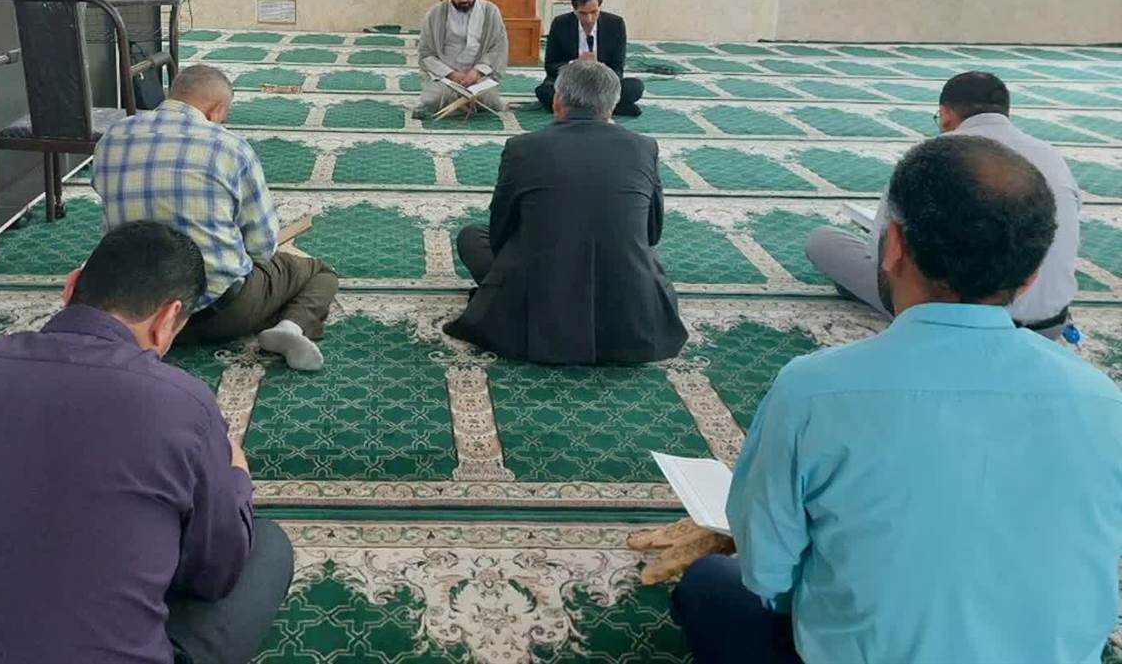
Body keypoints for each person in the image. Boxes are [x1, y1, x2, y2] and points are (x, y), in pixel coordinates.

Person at [672, 135, 1122, 664]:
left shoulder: (813, 390)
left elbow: (768, 576)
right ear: (1030, 277)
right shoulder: (1103, 401)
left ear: (893, 246)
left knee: (707, 584)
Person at [0, 222, 295, 664]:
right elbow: (213, 570)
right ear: (168, 319)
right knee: (266, 545)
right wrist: (235, 478)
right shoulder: (182, 404)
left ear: (70, 287)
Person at [94, 64, 336, 371]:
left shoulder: (113, 137)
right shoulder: (230, 147)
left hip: (136, 314)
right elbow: (262, 247)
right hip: (221, 314)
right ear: (217, 109)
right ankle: (290, 327)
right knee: (318, 273)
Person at [805, 71, 1081, 338]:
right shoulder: (1053, 159)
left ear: (946, 113)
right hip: (1047, 326)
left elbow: (885, 259)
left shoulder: (932, 158)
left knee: (824, 241)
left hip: (947, 321)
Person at [444, 59, 686, 364]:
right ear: (612, 106)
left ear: (557, 100)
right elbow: (652, 233)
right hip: (629, 314)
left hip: (542, 302)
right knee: (642, 255)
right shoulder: (644, 147)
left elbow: (500, 231)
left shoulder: (523, 147)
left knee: (471, 236)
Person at [413, 0, 509, 119]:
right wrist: (452, 74)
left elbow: (497, 48)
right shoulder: (435, 14)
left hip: (478, 72)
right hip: (446, 74)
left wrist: (476, 72)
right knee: (436, 99)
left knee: (489, 99)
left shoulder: (490, 11)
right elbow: (426, 52)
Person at [536, 0, 643, 117]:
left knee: (635, 87)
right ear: (574, 10)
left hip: (602, 83)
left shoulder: (615, 24)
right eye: (583, 13)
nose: (589, 19)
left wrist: (599, 67)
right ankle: (610, 108)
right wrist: (575, 64)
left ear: (600, 7)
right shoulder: (561, 24)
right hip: (571, 83)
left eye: (594, 12)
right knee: (545, 91)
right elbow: (550, 66)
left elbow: (618, 68)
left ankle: (577, 108)